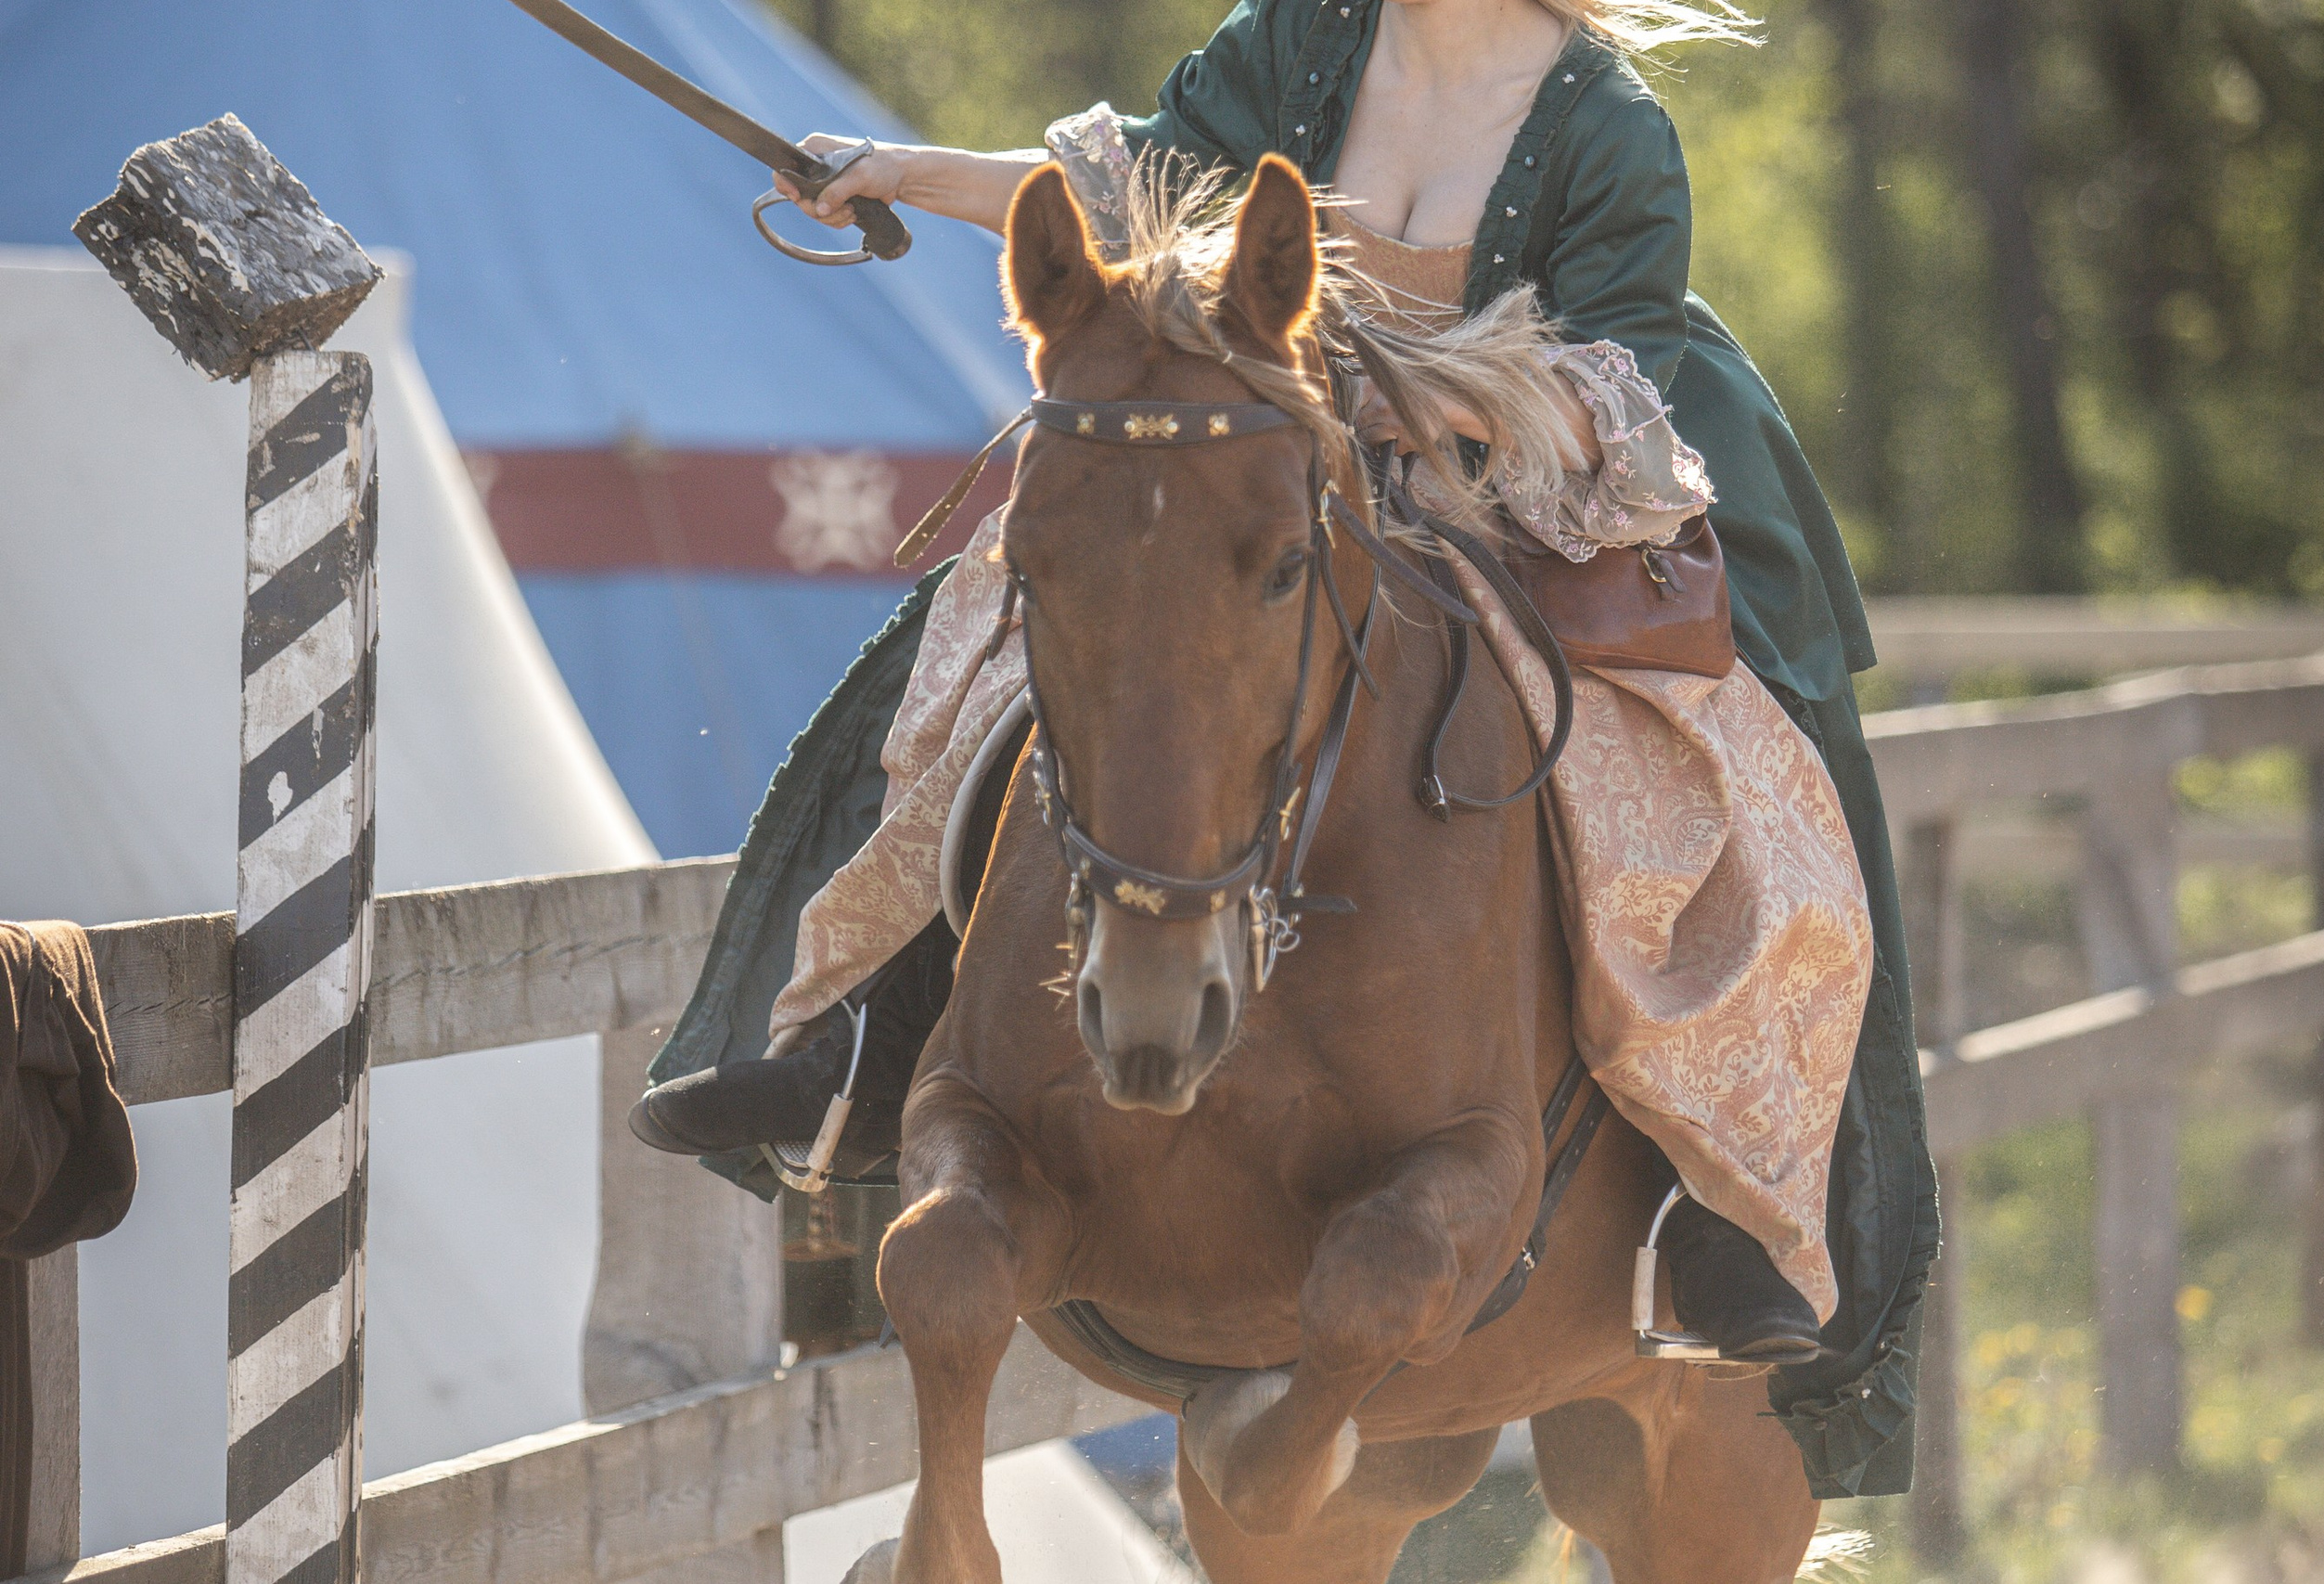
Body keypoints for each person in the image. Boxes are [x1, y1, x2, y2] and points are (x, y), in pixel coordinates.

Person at [636, 0, 1938, 1494]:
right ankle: (863, 1040)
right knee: (981, 638)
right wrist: (893, 170)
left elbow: (1611, 386)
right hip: (1257, 462)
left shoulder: (1611, 129)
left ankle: (1722, 1200)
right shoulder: (1299, 39)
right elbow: (1126, 188)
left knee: (1718, 784)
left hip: (1523, 497)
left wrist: (1396, 394)